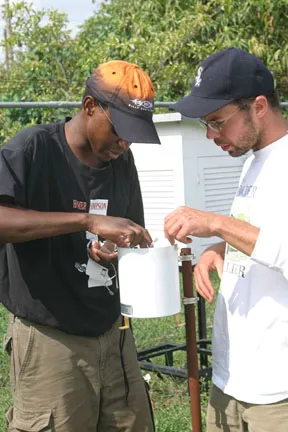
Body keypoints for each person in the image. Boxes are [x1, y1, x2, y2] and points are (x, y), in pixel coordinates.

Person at [0, 60, 160, 432]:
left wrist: (119, 249)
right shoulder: (33, 149)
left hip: (114, 334)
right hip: (51, 340)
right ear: (90, 108)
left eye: (134, 134)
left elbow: (130, 230)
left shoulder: (121, 161)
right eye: (120, 130)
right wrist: (86, 220)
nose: (126, 142)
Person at [165, 47, 288, 432]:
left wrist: (216, 224)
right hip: (233, 377)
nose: (210, 135)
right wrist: (218, 250)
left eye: (217, 121)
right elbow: (265, 233)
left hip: (275, 391)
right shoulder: (254, 160)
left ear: (260, 106)